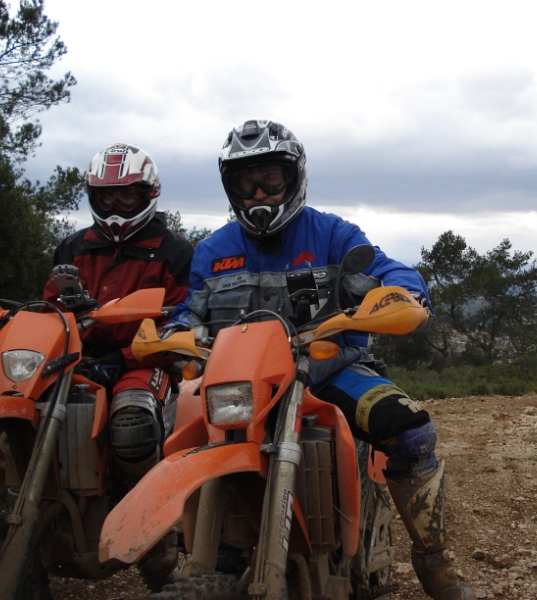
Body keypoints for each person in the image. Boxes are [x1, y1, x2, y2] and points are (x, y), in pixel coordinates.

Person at [167, 120, 476, 600]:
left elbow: (389, 269)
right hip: (242, 387)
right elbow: (188, 310)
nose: (259, 192)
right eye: (246, 182)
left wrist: (404, 295)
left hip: (328, 371)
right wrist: (174, 334)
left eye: (271, 178)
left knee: (412, 432)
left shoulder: (333, 234)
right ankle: (195, 549)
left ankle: (434, 560)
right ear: (231, 188)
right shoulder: (212, 251)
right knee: (172, 429)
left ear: (293, 177)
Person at [42, 143, 194, 484]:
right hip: (76, 358)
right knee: (27, 404)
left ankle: (144, 498)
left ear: (147, 194)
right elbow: (50, 309)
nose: (115, 206)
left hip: (144, 361)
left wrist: (123, 358)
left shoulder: (174, 251)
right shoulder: (73, 247)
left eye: (126, 197)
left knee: (132, 421)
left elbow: (182, 323)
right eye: (107, 196)